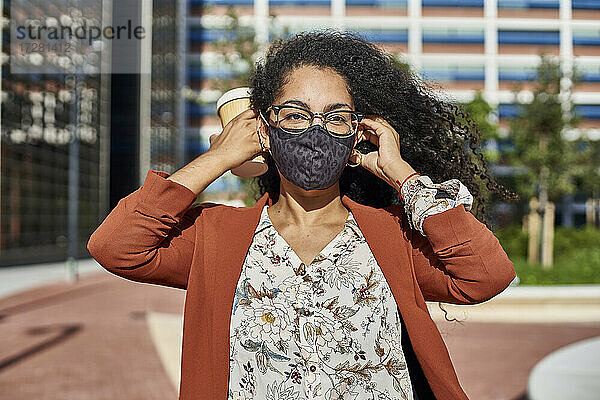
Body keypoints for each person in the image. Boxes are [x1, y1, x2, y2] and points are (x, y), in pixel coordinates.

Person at [87, 31, 517, 400]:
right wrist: (219, 157)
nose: (314, 130)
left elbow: (486, 275)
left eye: (336, 118)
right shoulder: (217, 235)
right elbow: (116, 245)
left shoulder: (391, 235)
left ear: (357, 136)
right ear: (265, 133)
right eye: (294, 115)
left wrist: (400, 174)